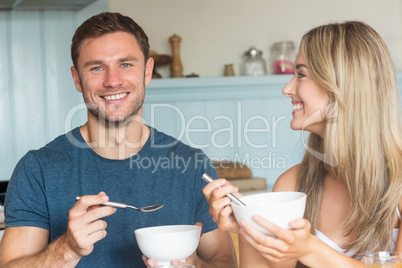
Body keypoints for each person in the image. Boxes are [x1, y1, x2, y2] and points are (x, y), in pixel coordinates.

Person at [0, 12, 237, 267]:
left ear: (147, 71)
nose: (112, 81)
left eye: (126, 64)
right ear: (77, 79)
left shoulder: (191, 165)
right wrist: (67, 250)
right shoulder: (38, 169)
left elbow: (224, 261)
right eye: (97, 67)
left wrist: (195, 266)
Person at [203, 21, 402, 267]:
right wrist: (249, 227)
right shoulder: (292, 186)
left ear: (342, 83)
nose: (287, 89)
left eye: (301, 74)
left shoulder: (398, 183)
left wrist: (308, 249)